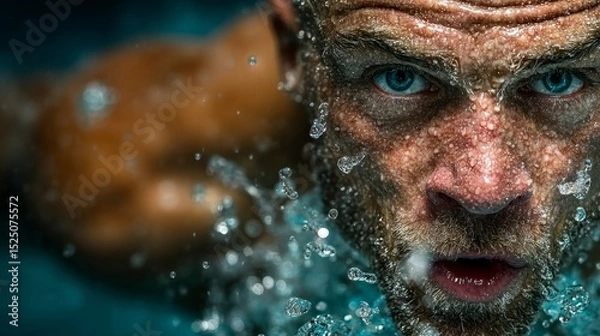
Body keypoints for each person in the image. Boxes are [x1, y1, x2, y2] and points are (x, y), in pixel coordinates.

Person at [7, 0, 599, 335]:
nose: (483, 188)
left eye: (559, 80)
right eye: (399, 78)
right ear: (297, 58)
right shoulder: (129, 188)